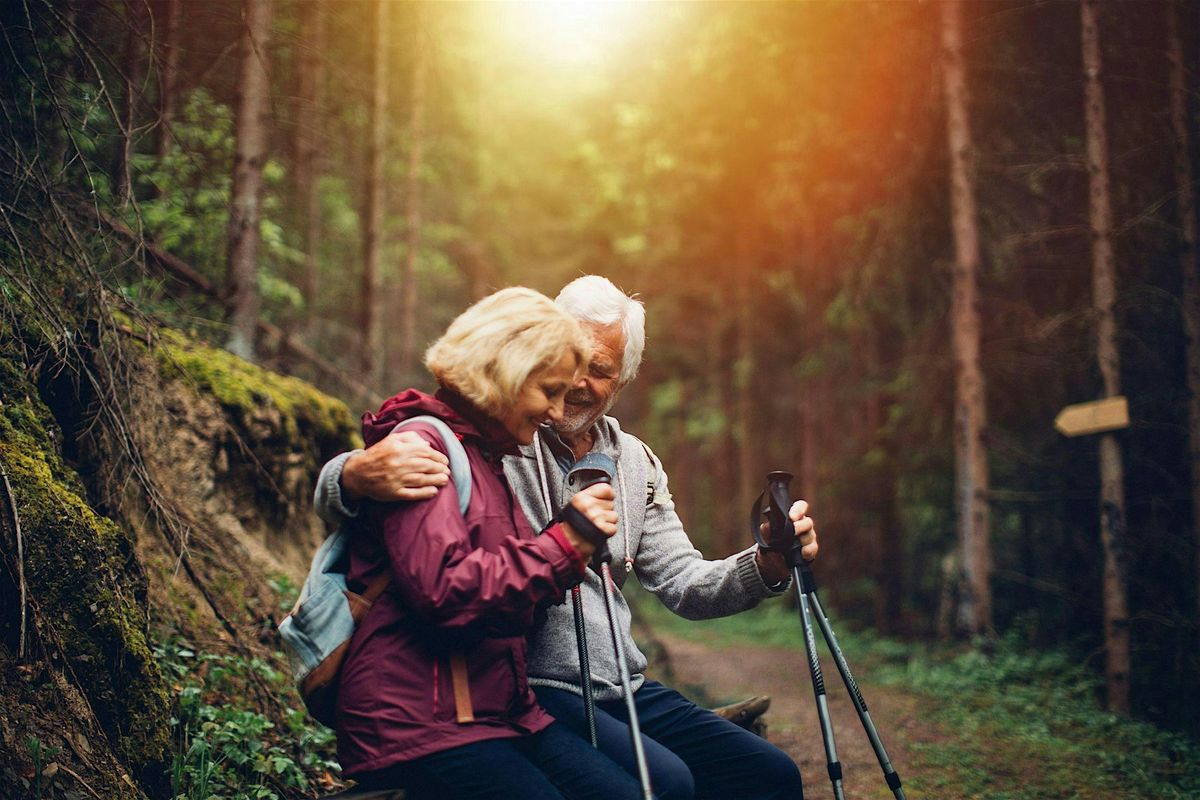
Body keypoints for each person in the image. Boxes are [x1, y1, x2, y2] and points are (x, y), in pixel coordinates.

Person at [318, 276, 818, 800]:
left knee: (770, 774)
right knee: (668, 784)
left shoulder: (636, 463)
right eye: (567, 363)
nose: (574, 385)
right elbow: (405, 465)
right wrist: (349, 474)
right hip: (534, 687)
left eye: (598, 370)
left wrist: (767, 565)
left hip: (623, 685)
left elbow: (683, 582)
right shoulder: (506, 431)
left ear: (622, 381)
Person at [333, 287, 644, 800]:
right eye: (548, 391)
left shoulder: (487, 456)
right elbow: (444, 591)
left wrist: (571, 545)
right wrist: (565, 543)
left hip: (498, 707)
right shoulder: (426, 450)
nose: (555, 410)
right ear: (508, 373)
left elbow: (507, 586)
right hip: (419, 719)